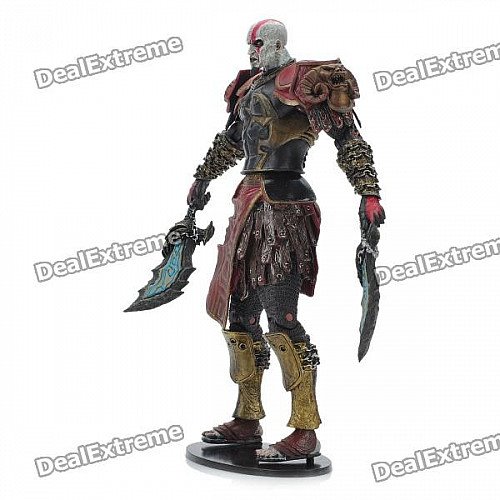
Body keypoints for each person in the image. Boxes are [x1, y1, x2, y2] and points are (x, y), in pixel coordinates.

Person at [187, 19, 385, 462]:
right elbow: (232, 142)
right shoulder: (249, 87)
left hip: (285, 209)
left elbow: (348, 139)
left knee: (282, 317)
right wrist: (203, 177)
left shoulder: (306, 82)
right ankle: (247, 418)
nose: (252, 52)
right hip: (247, 205)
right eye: (250, 46)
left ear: (275, 43)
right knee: (239, 316)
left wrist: (368, 192)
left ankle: (304, 428)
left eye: (257, 45)